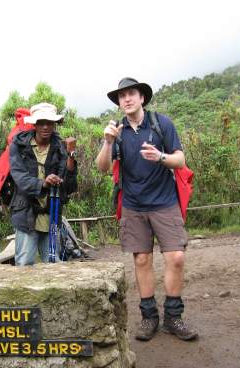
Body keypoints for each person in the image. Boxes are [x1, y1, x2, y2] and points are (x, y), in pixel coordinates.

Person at [96, 77, 198, 341]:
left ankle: (173, 317)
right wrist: (107, 142)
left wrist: (160, 157)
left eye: (131, 94)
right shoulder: (117, 132)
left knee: (176, 257)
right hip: (134, 205)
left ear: (142, 98)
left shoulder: (161, 123)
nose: (126, 99)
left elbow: (180, 159)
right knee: (141, 260)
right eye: (122, 96)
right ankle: (149, 317)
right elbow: (103, 167)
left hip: (165, 202)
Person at [9, 103, 77, 266]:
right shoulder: (18, 146)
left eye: (49, 122)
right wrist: (44, 183)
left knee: (54, 265)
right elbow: (20, 177)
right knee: (24, 264)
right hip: (26, 214)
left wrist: (71, 155)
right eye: (41, 122)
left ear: (55, 124)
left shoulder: (61, 147)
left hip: (51, 216)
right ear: (34, 124)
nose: (45, 127)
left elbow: (69, 186)